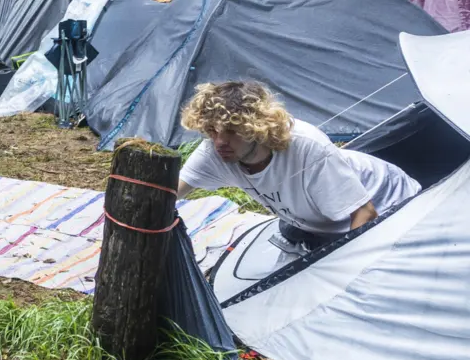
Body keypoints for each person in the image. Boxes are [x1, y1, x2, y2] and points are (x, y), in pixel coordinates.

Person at [177, 81, 420, 253]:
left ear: (256, 128)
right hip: (318, 215)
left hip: (388, 202)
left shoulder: (307, 148)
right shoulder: (215, 151)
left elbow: (365, 213)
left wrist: (347, 266)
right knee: (291, 234)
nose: (220, 141)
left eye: (231, 131)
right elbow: (168, 192)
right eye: (211, 131)